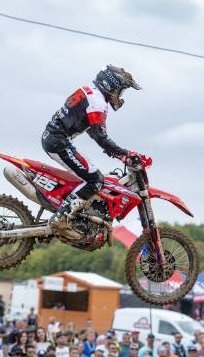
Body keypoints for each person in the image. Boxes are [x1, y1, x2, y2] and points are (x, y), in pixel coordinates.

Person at [41, 64, 142, 232]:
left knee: (90, 174)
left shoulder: (90, 92)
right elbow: (99, 136)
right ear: (111, 85)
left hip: (55, 138)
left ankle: (74, 214)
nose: (120, 96)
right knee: (96, 180)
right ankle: (60, 219)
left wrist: (115, 152)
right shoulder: (97, 102)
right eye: (120, 91)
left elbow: (89, 128)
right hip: (58, 142)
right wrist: (125, 153)